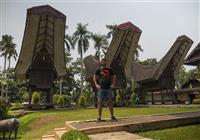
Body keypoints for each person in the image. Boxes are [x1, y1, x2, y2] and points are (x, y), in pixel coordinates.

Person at [93, 58, 117, 122]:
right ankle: (99, 117)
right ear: (101, 62)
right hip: (101, 89)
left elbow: (114, 76)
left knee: (110, 102)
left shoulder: (110, 69)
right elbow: (94, 77)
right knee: (100, 102)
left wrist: (113, 84)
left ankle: (112, 116)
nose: (104, 62)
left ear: (106, 62)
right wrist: (96, 84)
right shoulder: (98, 70)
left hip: (108, 88)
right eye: (102, 61)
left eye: (105, 61)